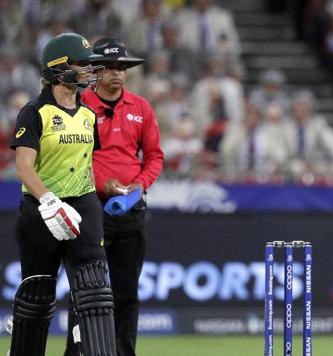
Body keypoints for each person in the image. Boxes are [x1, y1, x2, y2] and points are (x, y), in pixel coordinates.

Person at [8, 32, 117, 356]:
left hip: (82, 204)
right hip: (41, 209)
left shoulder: (87, 115)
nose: (89, 70)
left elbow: (87, 165)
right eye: (82, 63)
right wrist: (50, 202)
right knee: (37, 296)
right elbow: (24, 168)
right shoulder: (34, 112)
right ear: (59, 67)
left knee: (95, 291)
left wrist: (102, 191)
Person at [64, 37, 164, 356]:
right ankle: (77, 353)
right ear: (95, 71)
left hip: (131, 208)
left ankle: (123, 353)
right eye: (107, 68)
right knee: (86, 291)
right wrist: (101, 184)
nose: (115, 74)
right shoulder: (80, 107)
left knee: (126, 292)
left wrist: (140, 185)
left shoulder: (141, 107)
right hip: (91, 207)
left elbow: (155, 156)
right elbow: (73, 159)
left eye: (120, 67)